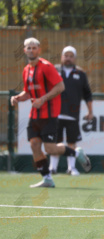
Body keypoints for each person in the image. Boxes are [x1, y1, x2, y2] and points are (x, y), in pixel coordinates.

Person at [10, 38, 92, 188]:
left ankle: (76, 153)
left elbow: (60, 86)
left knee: (50, 149)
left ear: (39, 50)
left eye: (34, 48)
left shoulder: (46, 67)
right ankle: (47, 178)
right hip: (34, 115)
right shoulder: (26, 69)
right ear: (24, 50)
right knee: (34, 145)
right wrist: (17, 98)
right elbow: (28, 93)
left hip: (49, 115)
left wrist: (43, 99)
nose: (31, 50)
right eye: (28, 48)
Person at [49, 46, 93, 176]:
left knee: (72, 141)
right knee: (54, 142)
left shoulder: (80, 74)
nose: (68, 58)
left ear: (74, 58)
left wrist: (90, 111)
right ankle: (52, 168)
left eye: (71, 56)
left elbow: (87, 94)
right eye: (66, 55)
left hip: (72, 115)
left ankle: (71, 168)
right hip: (55, 114)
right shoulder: (53, 70)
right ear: (62, 57)